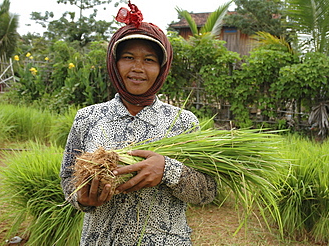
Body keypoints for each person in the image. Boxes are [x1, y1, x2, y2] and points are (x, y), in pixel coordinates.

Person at [60, 2, 217, 245]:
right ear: (115, 64)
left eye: (149, 60)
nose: (137, 68)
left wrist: (168, 170)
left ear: (161, 68)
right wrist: (83, 198)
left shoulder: (183, 123)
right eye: (128, 57)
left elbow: (207, 192)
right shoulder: (88, 118)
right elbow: (67, 179)